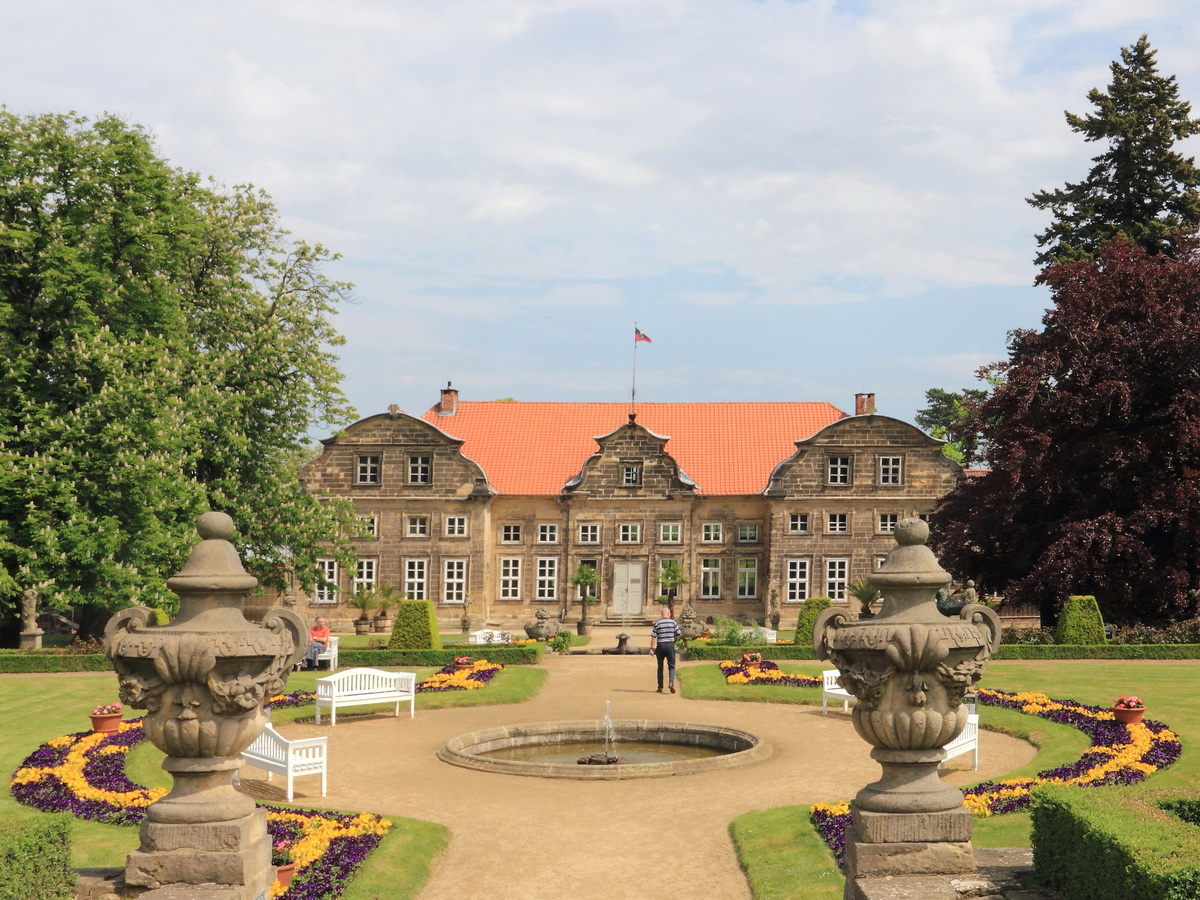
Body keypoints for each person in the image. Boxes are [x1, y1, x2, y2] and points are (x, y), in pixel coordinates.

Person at [650, 606, 682, 694]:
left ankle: (660, 687)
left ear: (662, 614)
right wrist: (675, 640)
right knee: (671, 666)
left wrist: (651, 648)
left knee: (660, 666)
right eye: (670, 613)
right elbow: (679, 634)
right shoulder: (673, 623)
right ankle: (671, 682)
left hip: (660, 645)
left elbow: (653, 637)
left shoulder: (658, 623)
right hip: (670, 645)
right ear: (668, 614)